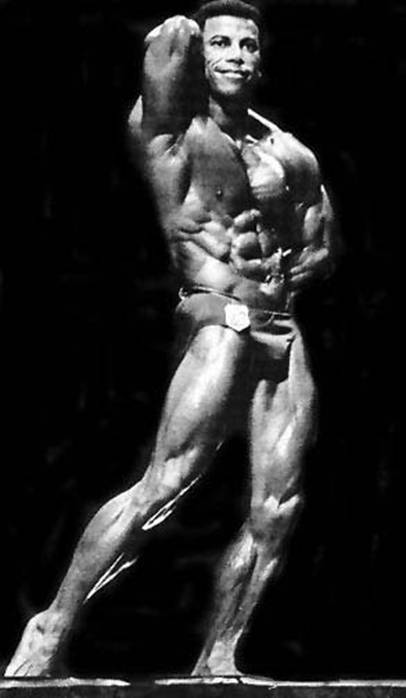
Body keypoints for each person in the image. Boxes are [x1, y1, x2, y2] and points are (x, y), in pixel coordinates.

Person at [5, 0, 341, 677]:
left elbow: (321, 243)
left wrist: (294, 266)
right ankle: (50, 628)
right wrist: (195, 31)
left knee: (278, 506)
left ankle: (220, 654)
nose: (237, 55)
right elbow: (169, 41)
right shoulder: (171, 132)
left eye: (249, 45)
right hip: (219, 315)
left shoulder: (288, 151)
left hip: (280, 327)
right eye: (222, 43)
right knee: (168, 482)